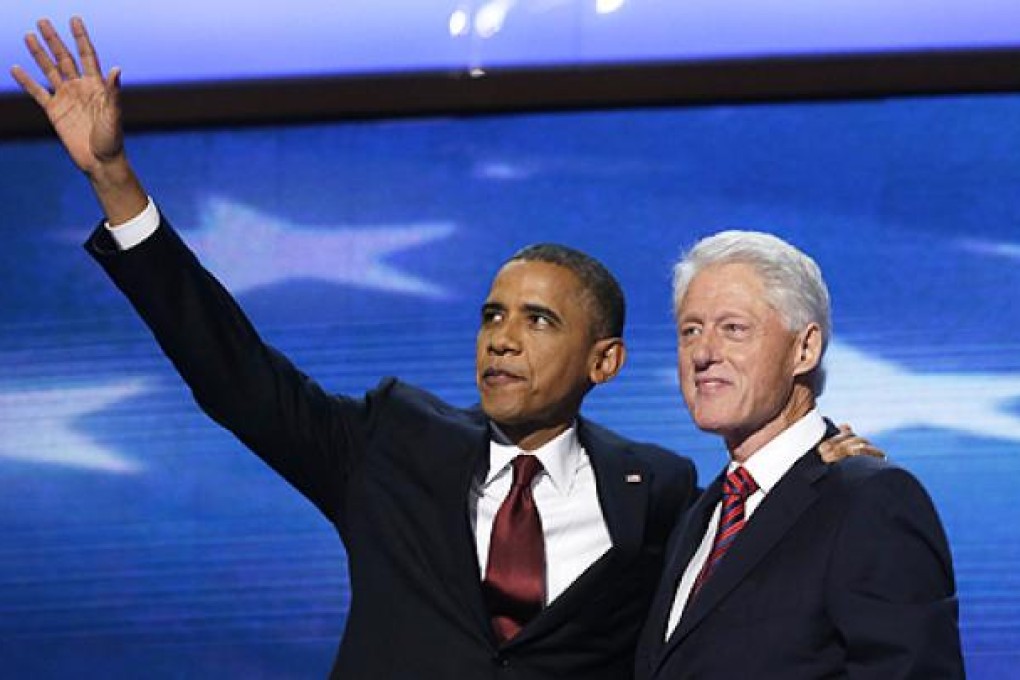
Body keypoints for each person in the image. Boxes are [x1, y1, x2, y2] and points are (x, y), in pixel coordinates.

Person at [11, 17, 879, 679]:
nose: (503, 336)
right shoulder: (394, 442)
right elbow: (236, 376)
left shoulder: (657, 492)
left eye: (540, 321)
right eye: (492, 315)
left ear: (604, 361)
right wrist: (115, 182)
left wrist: (817, 463)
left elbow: (745, 596)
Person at [634, 230, 964, 679]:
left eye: (734, 329)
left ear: (804, 348)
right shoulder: (702, 514)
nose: (703, 353)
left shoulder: (871, 502)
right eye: (690, 330)